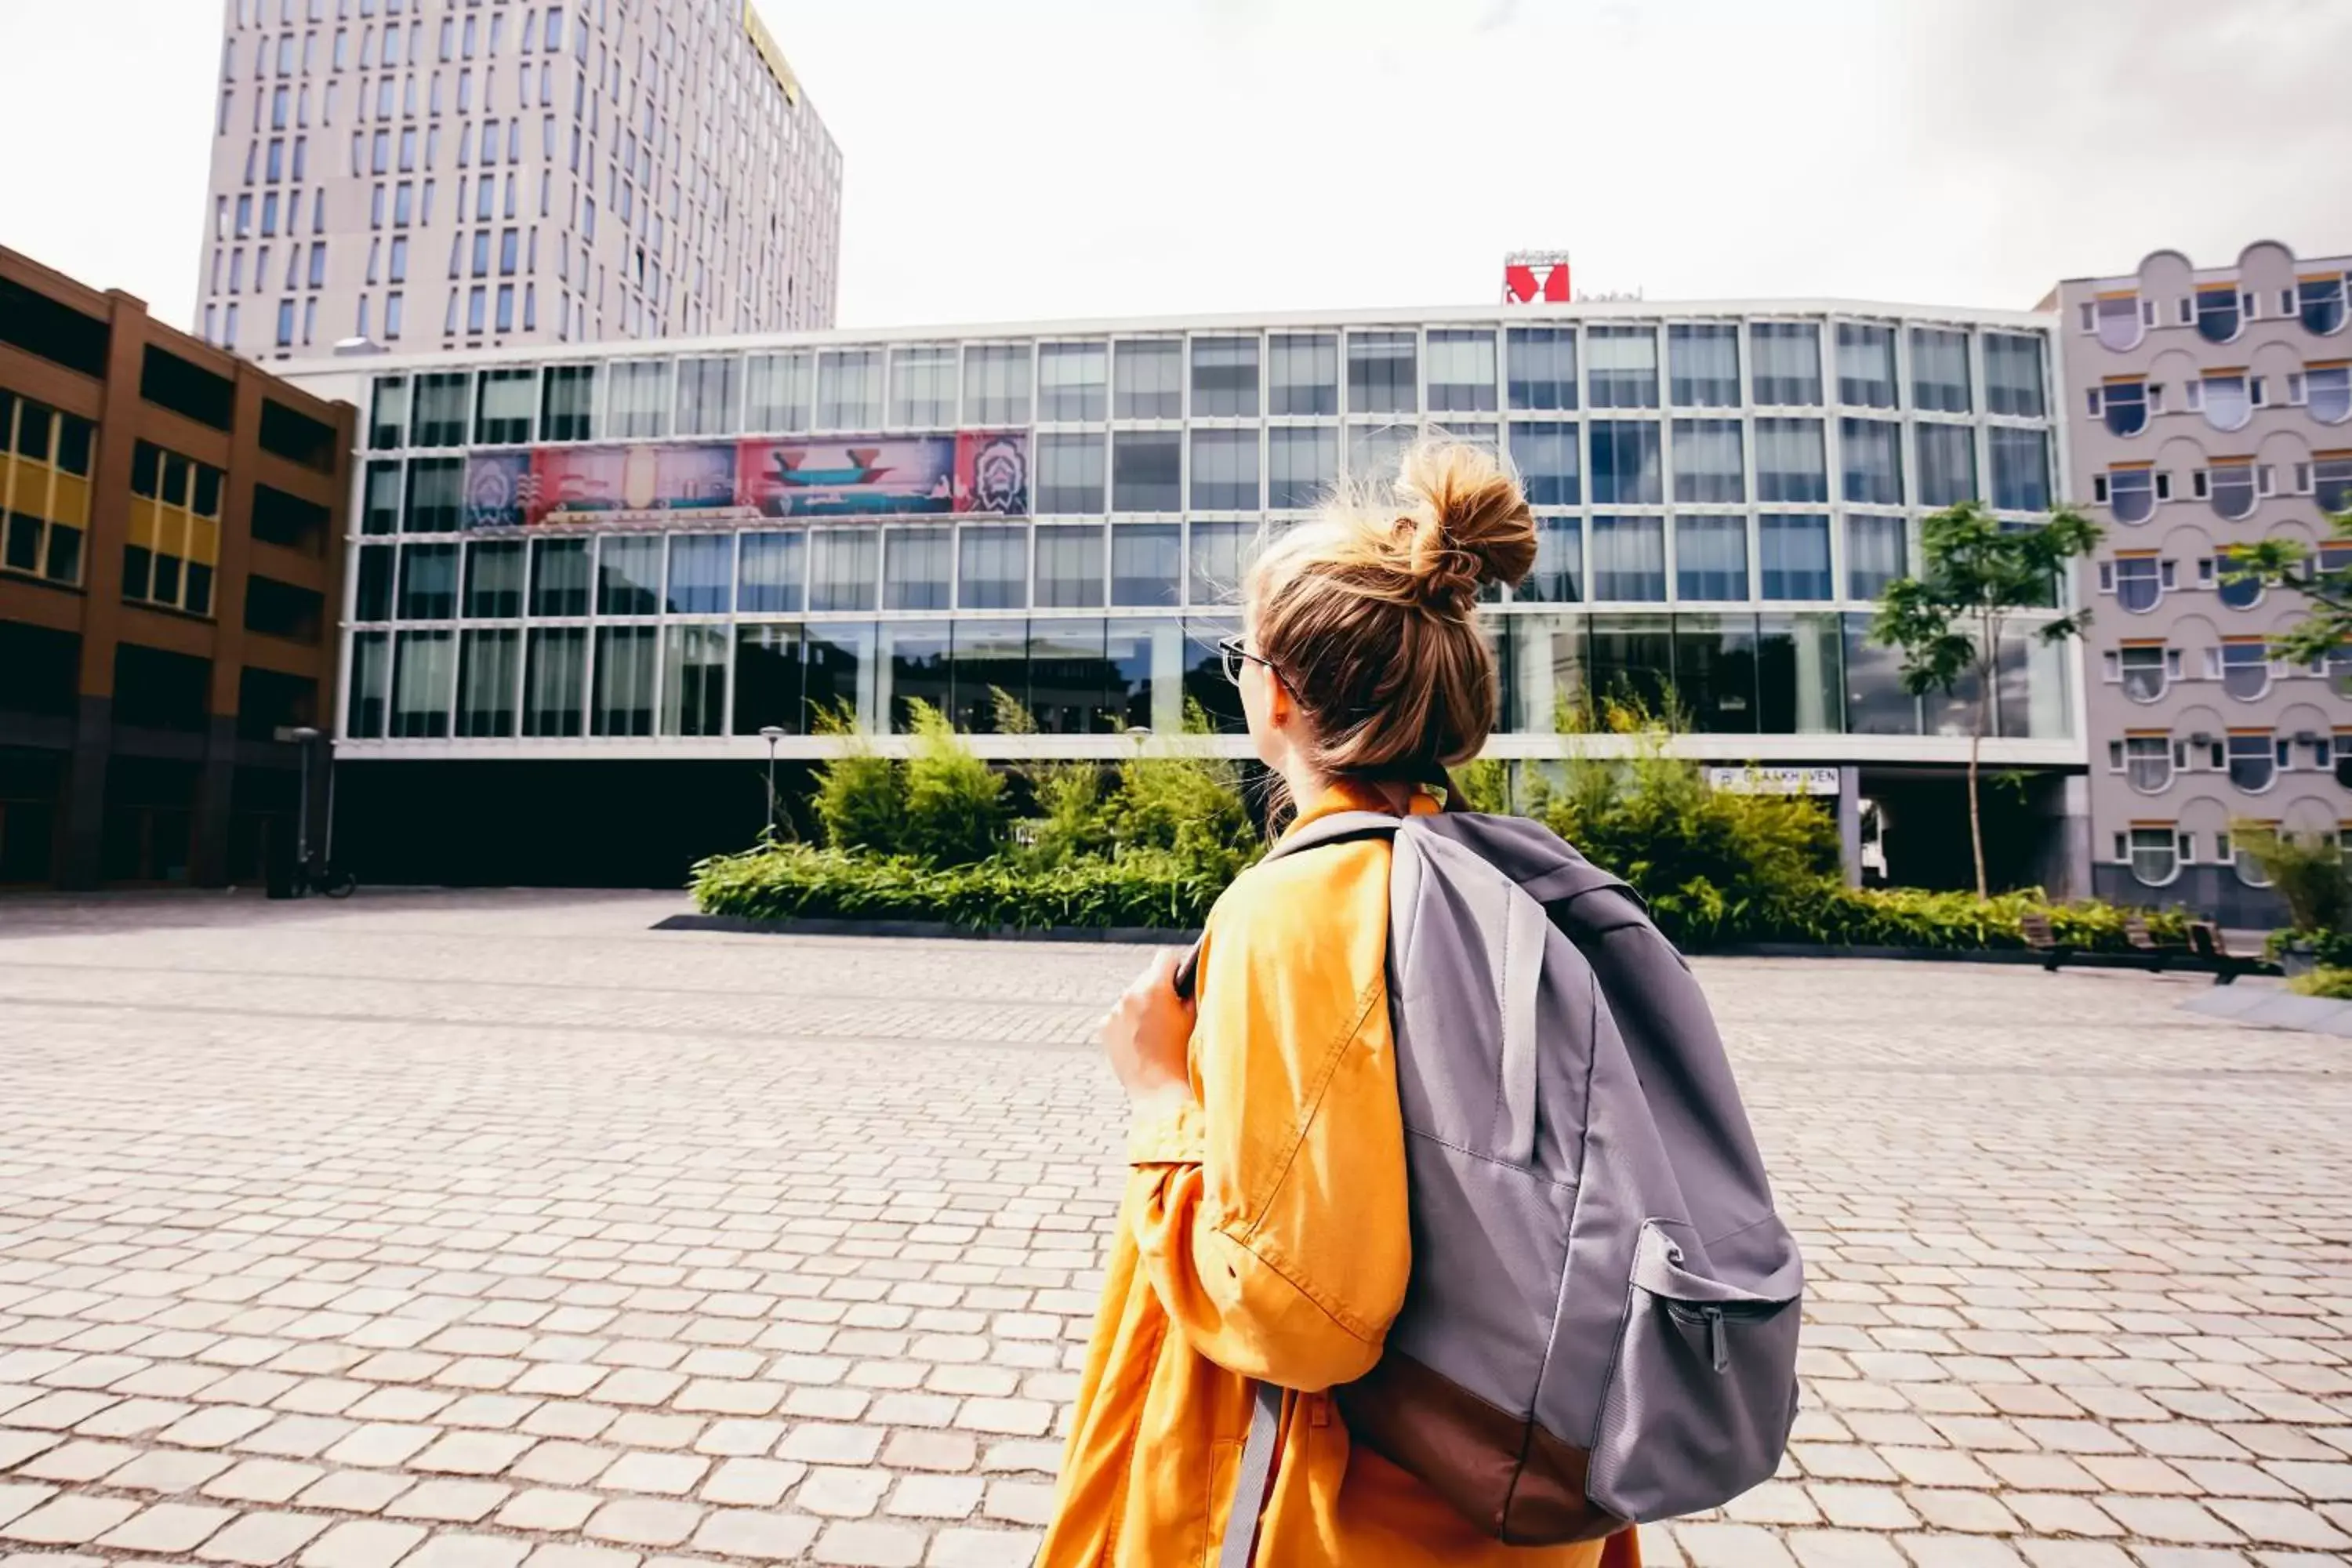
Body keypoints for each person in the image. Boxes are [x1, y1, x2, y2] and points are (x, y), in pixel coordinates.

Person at [1037, 444, 1641, 1567]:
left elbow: (1296, 1317)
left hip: (1327, 1516)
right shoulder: (1512, 876)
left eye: (1238, 658)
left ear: (1275, 691)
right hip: (1516, 1489)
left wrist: (1160, 1092)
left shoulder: (1303, 905)